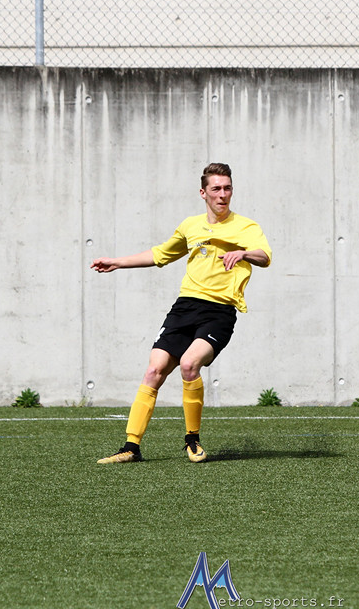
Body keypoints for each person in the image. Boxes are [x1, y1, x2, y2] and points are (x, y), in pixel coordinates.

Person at [91, 162, 272, 463]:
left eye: (227, 188)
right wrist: (118, 262)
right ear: (203, 193)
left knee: (189, 364)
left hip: (219, 311)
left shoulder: (246, 227)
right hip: (185, 307)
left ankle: (192, 440)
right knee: (154, 370)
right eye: (216, 188)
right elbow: (161, 254)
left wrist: (243, 253)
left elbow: (264, 256)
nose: (222, 194)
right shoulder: (191, 226)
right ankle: (131, 447)